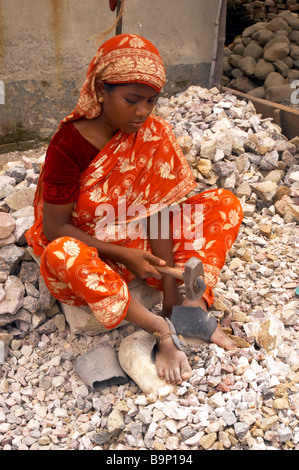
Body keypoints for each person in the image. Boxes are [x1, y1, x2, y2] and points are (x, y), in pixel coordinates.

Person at [26, 33, 243, 385]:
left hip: (139, 244)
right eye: (131, 100)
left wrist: (171, 293)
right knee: (60, 253)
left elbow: (157, 210)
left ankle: (192, 311)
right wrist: (123, 255)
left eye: (151, 101)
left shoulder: (153, 134)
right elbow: (54, 228)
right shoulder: (69, 145)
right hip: (91, 249)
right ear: (101, 91)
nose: (142, 112)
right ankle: (157, 328)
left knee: (223, 204)